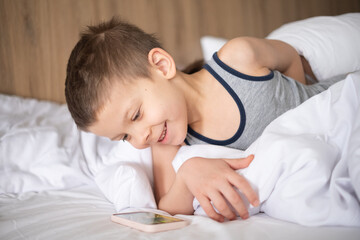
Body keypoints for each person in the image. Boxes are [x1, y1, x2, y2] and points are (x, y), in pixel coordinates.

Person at [65, 17, 340, 222]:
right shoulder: (168, 144)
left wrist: (302, 114)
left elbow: (290, 56)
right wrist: (186, 175)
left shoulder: (239, 58)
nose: (140, 139)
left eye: (136, 115)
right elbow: (169, 208)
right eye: (125, 137)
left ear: (162, 66)